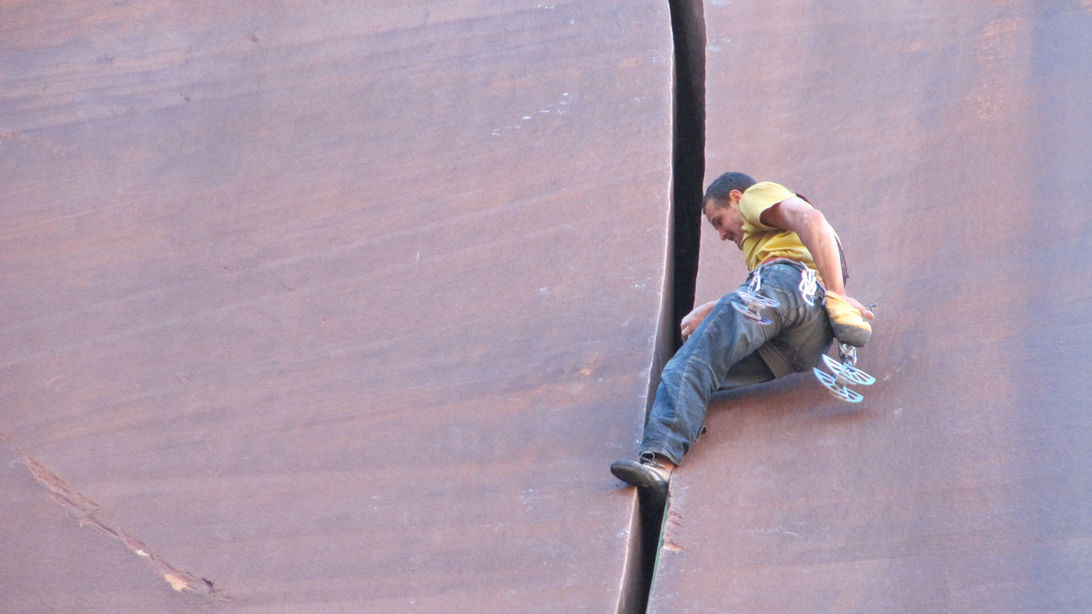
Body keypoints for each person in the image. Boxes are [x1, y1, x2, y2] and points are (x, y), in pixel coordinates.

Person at [610, 172, 875, 498]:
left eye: (718, 221)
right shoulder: (777, 244)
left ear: (736, 198)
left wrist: (838, 295)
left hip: (791, 288)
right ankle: (671, 441)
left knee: (693, 361)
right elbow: (789, 284)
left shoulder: (755, 196)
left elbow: (811, 219)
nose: (721, 234)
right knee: (697, 373)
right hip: (810, 341)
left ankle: (659, 463)